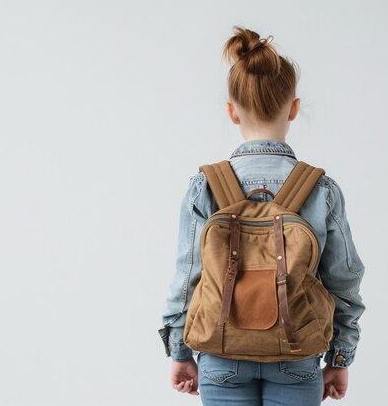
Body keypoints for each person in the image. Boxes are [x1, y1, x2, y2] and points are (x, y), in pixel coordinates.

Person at [157, 26, 366, 406]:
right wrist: (339, 356)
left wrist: (180, 352)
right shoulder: (321, 189)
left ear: (232, 112)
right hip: (296, 352)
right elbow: (344, 281)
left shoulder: (204, 186)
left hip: (221, 353)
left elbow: (187, 278)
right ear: (294, 108)